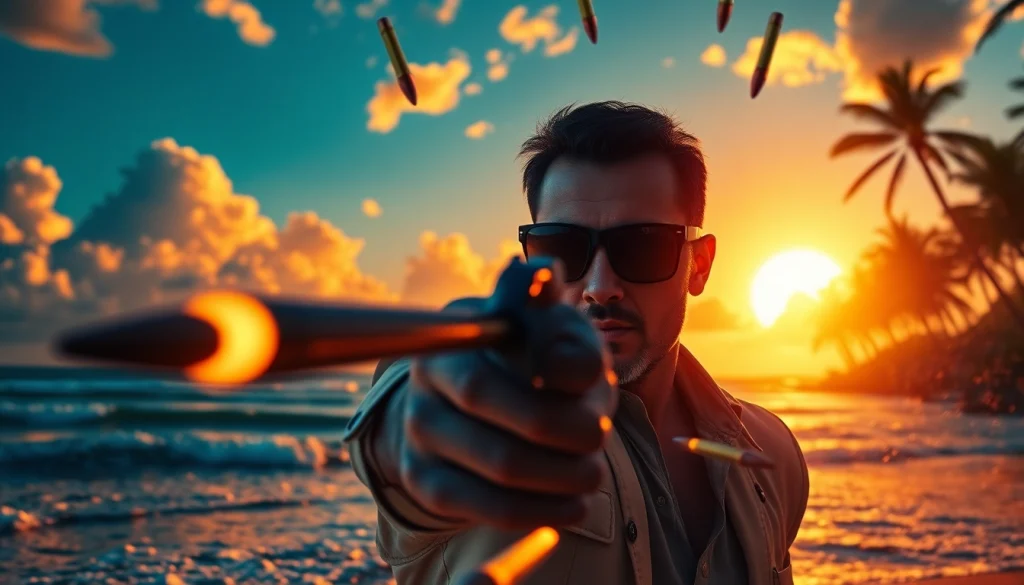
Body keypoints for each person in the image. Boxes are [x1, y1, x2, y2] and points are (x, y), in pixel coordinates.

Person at [342, 101, 809, 585]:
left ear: (701, 264)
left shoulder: (773, 455)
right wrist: (415, 418)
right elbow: (406, 429)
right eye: (563, 249)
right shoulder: (512, 423)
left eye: (643, 245)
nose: (599, 285)